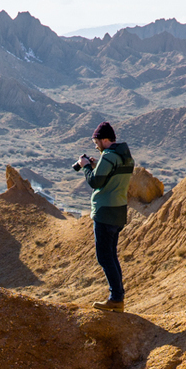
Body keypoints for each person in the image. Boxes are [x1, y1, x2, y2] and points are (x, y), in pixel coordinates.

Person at [76, 122, 133, 313]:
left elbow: (95, 181)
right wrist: (96, 165)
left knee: (104, 257)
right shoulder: (124, 156)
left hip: (105, 212)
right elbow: (113, 177)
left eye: (96, 141)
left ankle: (116, 298)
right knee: (111, 256)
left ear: (104, 139)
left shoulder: (109, 156)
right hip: (118, 212)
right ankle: (117, 297)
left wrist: (86, 167)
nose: (95, 145)